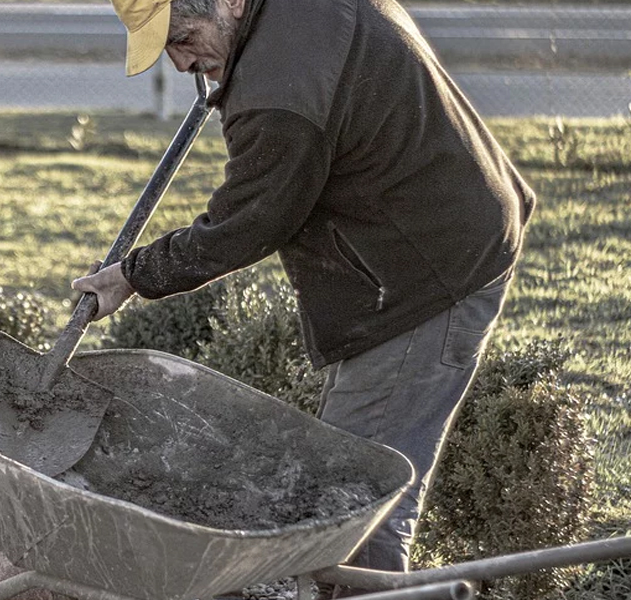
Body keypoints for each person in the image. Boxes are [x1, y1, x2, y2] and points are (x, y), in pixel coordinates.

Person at [73, 0, 535, 595]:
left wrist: (132, 276)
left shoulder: (279, 90)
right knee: (355, 477)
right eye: (167, 49)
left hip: (421, 276)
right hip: (433, 237)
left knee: (354, 503)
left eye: (184, 38)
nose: (182, 63)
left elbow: (248, 223)